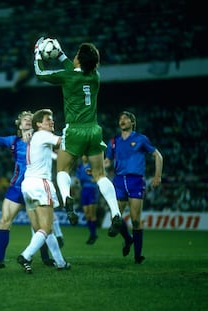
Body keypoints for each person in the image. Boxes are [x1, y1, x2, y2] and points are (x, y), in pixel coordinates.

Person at [34, 37, 122, 237]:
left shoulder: (67, 77)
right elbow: (76, 68)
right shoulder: (95, 77)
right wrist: (61, 53)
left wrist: (39, 53)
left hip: (74, 130)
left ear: (79, 60)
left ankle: (67, 200)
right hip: (93, 130)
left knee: (63, 170)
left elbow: (40, 73)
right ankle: (116, 212)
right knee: (100, 175)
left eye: (75, 56)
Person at [0, 112, 62, 269]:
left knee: (39, 227)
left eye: (31, 119)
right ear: (19, 124)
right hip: (16, 187)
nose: (28, 121)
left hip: (33, 188)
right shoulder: (13, 141)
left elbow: (57, 151)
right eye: (25, 119)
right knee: (4, 221)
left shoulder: (40, 139)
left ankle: (45, 258)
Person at [104, 111, 163, 264]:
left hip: (135, 181)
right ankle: (128, 239)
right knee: (115, 217)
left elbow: (158, 155)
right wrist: (97, 169)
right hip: (118, 180)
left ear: (132, 123)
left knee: (136, 220)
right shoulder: (114, 141)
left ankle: (137, 256)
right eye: (120, 118)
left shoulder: (141, 139)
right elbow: (107, 162)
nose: (122, 120)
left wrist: (157, 176)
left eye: (126, 118)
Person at [17, 108, 70, 274]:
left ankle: (60, 262)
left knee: (42, 228)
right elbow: (63, 143)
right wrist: (70, 130)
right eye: (48, 119)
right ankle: (26, 255)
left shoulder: (34, 137)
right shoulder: (42, 134)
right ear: (39, 124)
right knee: (46, 228)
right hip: (41, 183)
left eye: (52, 119)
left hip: (28, 186)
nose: (52, 122)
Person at [76, 155, 99, 244]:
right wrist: (77, 181)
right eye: (82, 155)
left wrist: (94, 179)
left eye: (85, 155)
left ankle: (93, 234)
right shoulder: (80, 167)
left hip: (92, 189)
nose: (84, 157)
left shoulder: (91, 166)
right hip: (84, 190)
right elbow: (78, 179)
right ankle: (92, 233)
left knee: (92, 213)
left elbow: (97, 176)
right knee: (87, 214)